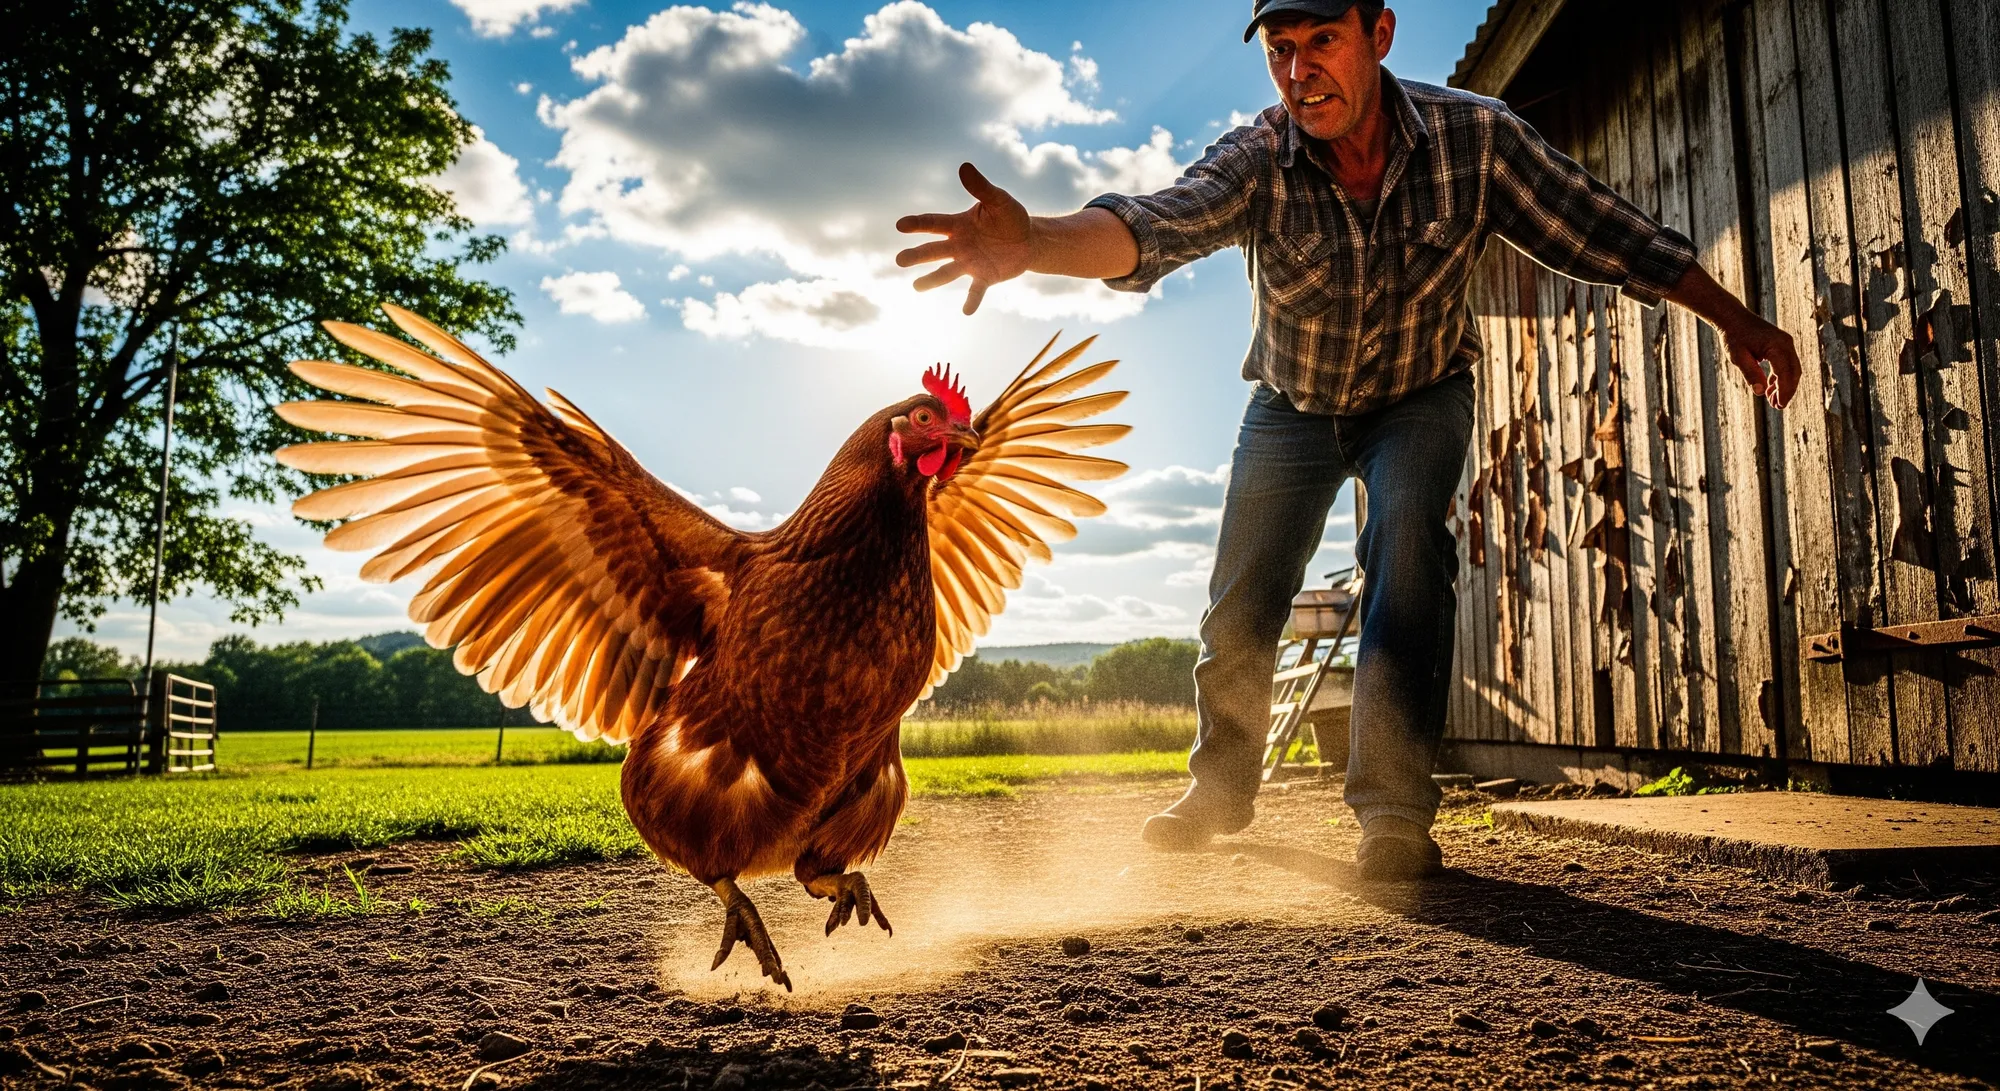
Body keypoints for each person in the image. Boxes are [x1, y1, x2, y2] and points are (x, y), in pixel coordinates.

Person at [894, 0, 1800, 880]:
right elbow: (1153, 226)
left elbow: (1602, 231)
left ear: (1380, 34)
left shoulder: (1476, 140)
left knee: (1406, 556)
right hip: (1291, 406)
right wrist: (1035, 240)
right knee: (1241, 600)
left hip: (1420, 396)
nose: (1299, 71)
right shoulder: (1258, 158)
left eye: (1323, 40)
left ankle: (1394, 813)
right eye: (1279, 50)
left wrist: (1735, 318)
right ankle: (1220, 788)